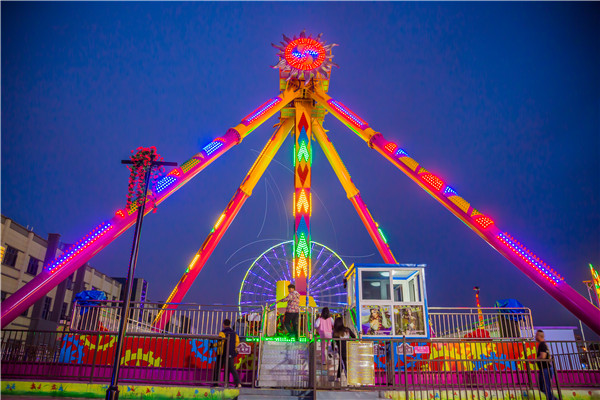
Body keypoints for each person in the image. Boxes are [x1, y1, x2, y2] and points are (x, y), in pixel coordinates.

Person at [214, 319, 242, 388]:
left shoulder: (222, 333)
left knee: (218, 368)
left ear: (223, 324)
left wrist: (213, 345)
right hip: (230, 353)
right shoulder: (234, 333)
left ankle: (216, 383)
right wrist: (234, 351)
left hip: (222, 354)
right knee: (232, 368)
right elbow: (237, 343)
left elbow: (220, 343)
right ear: (230, 325)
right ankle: (238, 383)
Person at [536, 330, 556, 400]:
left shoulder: (542, 344)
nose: (535, 337)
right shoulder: (545, 344)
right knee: (545, 388)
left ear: (539, 336)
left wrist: (535, 360)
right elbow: (548, 356)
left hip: (545, 369)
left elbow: (543, 356)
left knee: (545, 388)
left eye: (536, 335)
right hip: (547, 368)